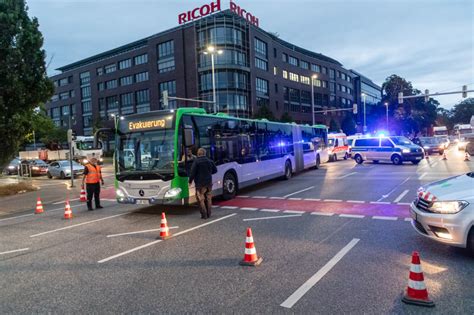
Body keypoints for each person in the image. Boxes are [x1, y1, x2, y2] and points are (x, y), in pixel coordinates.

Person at [188, 148, 217, 219]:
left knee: (201, 199)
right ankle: (209, 213)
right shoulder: (210, 161)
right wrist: (208, 173)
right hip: (209, 183)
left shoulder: (196, 162)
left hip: (200, 184)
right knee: (208, 198)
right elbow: (215, 170)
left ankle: (204, 215)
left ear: (198, 154)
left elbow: (192, 173)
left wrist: (190, 181)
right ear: (205, 153)